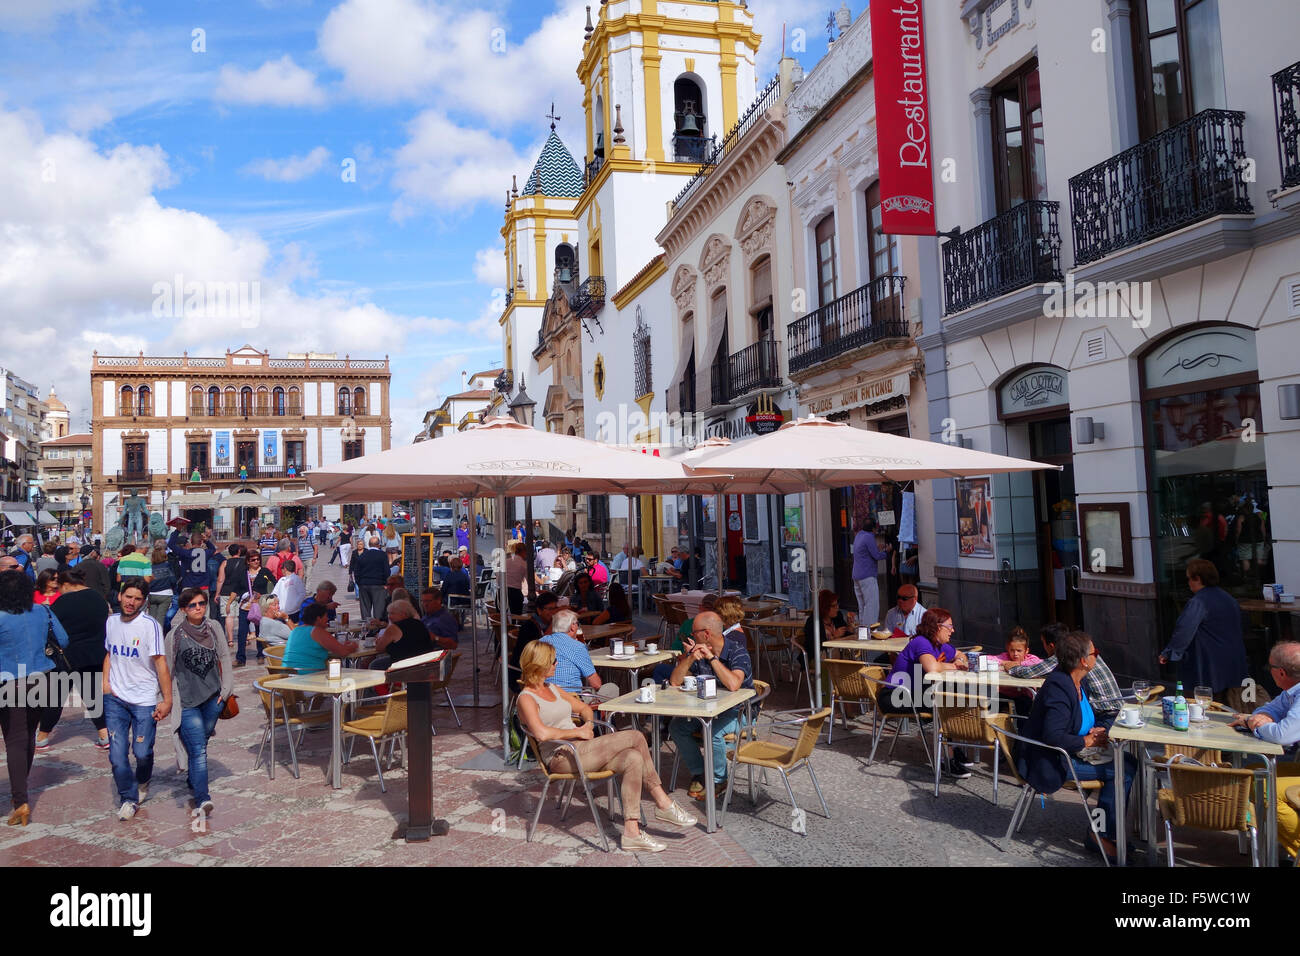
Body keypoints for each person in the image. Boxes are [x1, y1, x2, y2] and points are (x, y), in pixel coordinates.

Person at [517, 639, 696, 851]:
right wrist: (577, 732)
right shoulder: (526, 698)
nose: (557, 664)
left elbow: (584, 708)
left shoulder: (553, 688)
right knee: (636, 736)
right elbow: (541, 733)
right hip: (561, 756)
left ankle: (631, 832)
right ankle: (663, 802)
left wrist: (589, 724)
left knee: (633, 758)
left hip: (583, 750)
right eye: (554, 661)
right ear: (540, 665)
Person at [1016, 630, 1135, 864]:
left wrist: (1095, 730)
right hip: (1049, 760)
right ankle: (1099, 834)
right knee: (1122, 771)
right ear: (1083, 660)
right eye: (1095, 653)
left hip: (1069, 751)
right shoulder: (1059, 687)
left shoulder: (1077, 681)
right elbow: (1053, 735)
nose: (1097, 657)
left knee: (1128, 763)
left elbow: (1077, 720)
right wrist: (1086, 741)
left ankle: (1104, 831)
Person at [0, 569, 71, 826]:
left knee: (15, 740)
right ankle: (21, 792)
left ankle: (20, 801)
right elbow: (63, 639)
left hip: (11, 681)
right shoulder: (42, 610)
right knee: (27, 735)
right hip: (44, 677)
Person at [104, 579, 172, 821]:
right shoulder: (111, 622)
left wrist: (167, 700)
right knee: (117, 755)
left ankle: (144, 779)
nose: (131, 602)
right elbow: (110, 653)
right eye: (128, 596)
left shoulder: (149, 626)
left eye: (137, 599)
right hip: (116, 699)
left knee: (142, 752)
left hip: (144, 699)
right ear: (120, 595)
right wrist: (106, 685)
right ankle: (128, 799)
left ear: (144, 602)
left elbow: (160, 662)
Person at [668, 611, 753, 801]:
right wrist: (689, 658)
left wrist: (712, 659)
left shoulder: (737, 650)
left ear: (706, 634)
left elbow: (733, 684)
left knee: (713, 732)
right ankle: (700, 772)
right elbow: (674, 681)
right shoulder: (699, 654)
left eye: (694, 633)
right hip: (709, 711)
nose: (691, 636)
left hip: (740, 712)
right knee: (677, 727)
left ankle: (718, 780)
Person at [1230, 640, 1300, 861]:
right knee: (1255, 775)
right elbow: (1268, 709)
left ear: (1280, 673)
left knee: (1266, 789)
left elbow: (1283, 735)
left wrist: (1255, 724)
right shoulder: (1291, 692)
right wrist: (1258, 719)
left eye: (1269, 668)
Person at [164, 587, 232, 817]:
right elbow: (167, 669)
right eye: (192, 605)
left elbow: (224, 655)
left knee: (201, 742)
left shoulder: (214, 627)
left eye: (201, 603)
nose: (198, 608)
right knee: (199, 748)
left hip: (214, 698)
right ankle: (203, 799)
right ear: (183, 609)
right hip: (187, 701)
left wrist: (227, 688)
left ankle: (193, 779)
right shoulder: (174, 635)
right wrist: (165, 699)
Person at [883, 607, 973, 777]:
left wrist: (960, 659)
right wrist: (954, 665)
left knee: (950, 696)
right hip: (894, 696)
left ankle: (951, 749)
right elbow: (931, 667)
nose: (953, 630)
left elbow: (961, 654)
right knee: (944, 702)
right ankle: (947, 758)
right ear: (937, 627)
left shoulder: (939, 645)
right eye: (950, 626)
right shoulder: (921, 642)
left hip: (913, 693)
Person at [37, 568, 111, 752]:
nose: (58, 591)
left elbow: (50, 627)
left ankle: (42, 737)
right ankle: (104, 736)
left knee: (55, 698)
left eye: (59, 588)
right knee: (93, 697)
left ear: (66, 584)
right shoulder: (98, 597)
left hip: (67, 657)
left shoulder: (62, 602)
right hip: (95, 654)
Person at [1159, 558, 1249, 700]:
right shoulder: (1228, 598)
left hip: (1207, 662)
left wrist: (1169, 652)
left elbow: (1184, 630)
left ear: (1197, 579)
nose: (1188, 583)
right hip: (1231, 660)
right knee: (1223, 702)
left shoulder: (1199, 602)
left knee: (1199, 703)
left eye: (1189, 578)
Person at [1009, 622, 1125, 722]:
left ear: (1051, 646)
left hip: (1104, 713)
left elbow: (1029, 672)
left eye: (1043, 643)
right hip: (1119, 707)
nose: (1095, 657)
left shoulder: (1067, 654)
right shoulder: (1085, 649)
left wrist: (1009, 666)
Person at [541, 609, 605, 694]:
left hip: (542, 696)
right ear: (572, 627)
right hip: (570, 698)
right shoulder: (577, 647)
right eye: (577, 624)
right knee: (611, 689)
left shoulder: (540, 642)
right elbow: (596, 684)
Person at [282, 603, 358, 672]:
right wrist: (353, 646)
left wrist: (343, 647)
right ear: (318, 619)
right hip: (309, 676)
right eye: (326, 616)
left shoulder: (296, 630)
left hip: (288, 674)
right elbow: (343, 652)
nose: (327, 619)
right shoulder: (317, 631)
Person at [851, 518, 889, 629]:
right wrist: (886, 552)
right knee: (871, 606)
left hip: (856, 575)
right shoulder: (869, 537)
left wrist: (878, 549)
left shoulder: (859, 535)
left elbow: (866, 551)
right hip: (867, 575)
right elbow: (876, 556)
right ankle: (870, 632)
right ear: (873, 529)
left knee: (862, 606)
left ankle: (862, 632)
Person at [512, 591, 558, 676]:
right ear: (539, 610)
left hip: (543, 667)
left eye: (555, 608)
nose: (554, 612)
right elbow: (538, 651)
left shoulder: (546, 624)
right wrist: (553, 624)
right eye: (550, 609)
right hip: (526, 673)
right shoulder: (529, 627)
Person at [797, 589, 854, 659]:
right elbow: (815, 644)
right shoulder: (813, 622)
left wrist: (850, 625)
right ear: (825, 608)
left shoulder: (837, 617)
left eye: (837, 604)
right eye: (834, 606)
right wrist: (834, 636)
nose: (837, 608)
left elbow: (847, 635)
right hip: (817, 659)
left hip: (838, 656)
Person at [375, 600, 435, 664]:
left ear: (404, 614)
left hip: (403, 665)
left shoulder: (393, 628)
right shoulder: (419, 623)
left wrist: (379, 641)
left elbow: (379, 649)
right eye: (388, 613)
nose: (389, 616)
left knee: (374, 664)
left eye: (392, 613)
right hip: (424, 662)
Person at [352, 535, 391, 623]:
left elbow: (356, 571)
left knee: (365, 609)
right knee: (379, 609)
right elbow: (387, 570)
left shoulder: (363, 555)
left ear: (369, 544)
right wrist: (386, 583)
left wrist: (359, 583)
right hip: (378, 585)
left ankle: (367, 628)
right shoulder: (382, 555)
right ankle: (377, 628)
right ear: (378, 545)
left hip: (364, 584)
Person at [503, 540, 528, 616]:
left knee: (503, 618)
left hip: (501, 592)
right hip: (514, 593)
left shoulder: (506, 561)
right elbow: (530, 580)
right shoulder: (523, 564)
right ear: (523, 552)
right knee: (516, 617)